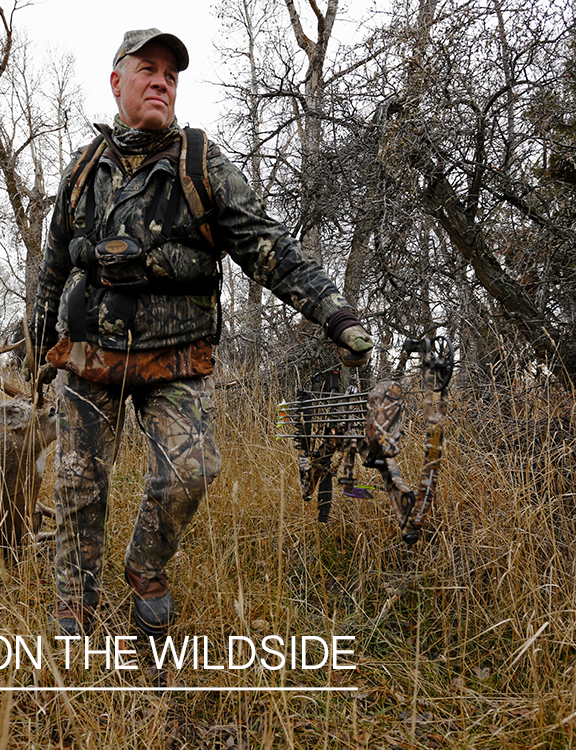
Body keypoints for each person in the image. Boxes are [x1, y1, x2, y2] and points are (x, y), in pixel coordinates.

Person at [30, 28, 373, 637]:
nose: (161, 80)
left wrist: (335, 313)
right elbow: (52, 263)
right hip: (86, 354)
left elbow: (267, 246)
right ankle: (73, 611)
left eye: (171, 73)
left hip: (176, 357)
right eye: (147, 69)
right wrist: (38, 346)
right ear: (117, 82)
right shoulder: (82, 171)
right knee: (77, 481)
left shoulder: (202, 164)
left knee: (192, 468)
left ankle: (146, 568)